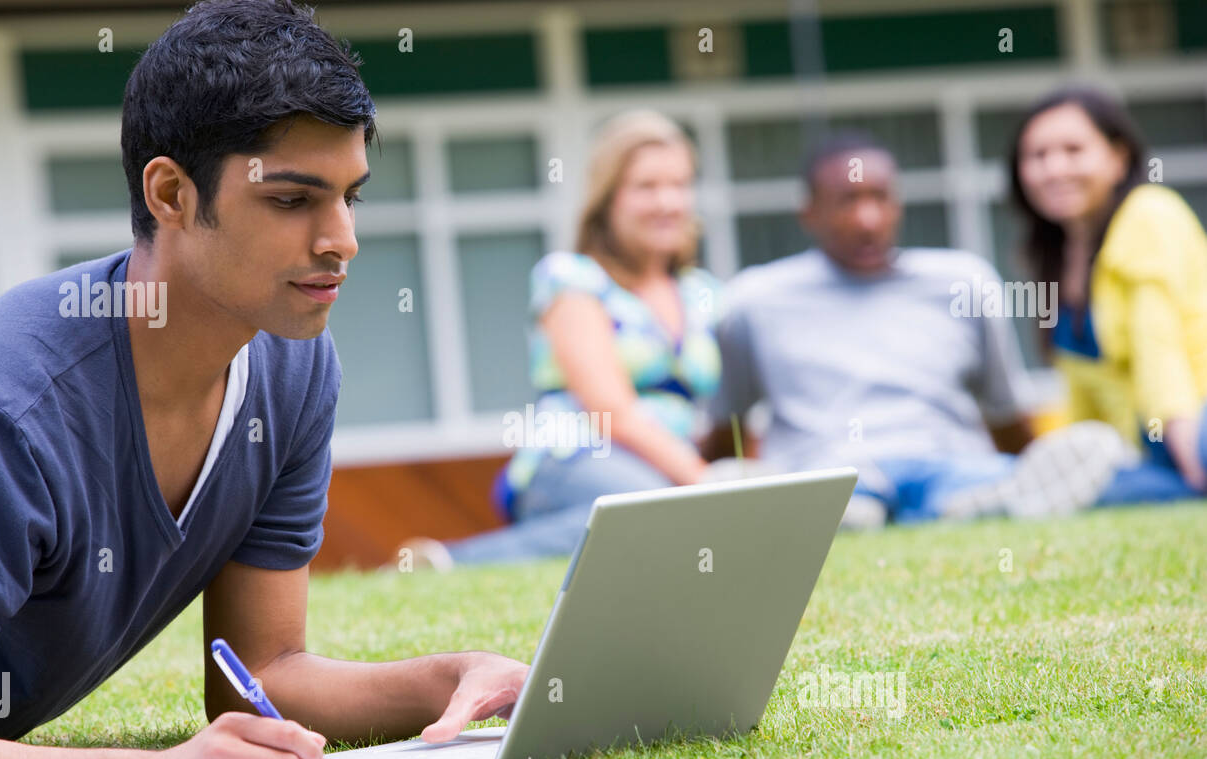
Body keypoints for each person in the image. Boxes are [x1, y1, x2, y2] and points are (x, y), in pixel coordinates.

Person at [0, 0, 528, 759]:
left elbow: (261, 670)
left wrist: (449, 680)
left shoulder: (293, 366)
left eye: (351, 198)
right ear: (169, 192)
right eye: (292, 201)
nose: (340, 238)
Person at [702, 131, 1134, 526]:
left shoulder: (963, 282)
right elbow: (728, 429)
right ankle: (845, 512)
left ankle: (990, 497)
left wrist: (1034, 463)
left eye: (880, 198)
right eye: (848, 201)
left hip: (946, 463)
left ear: (898, 205)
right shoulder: (754, 300)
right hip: (825, 470)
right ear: (809, 214)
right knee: (765, 483)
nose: (868, 218)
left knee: (981, 478)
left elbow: (1005, 413)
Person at [400, 111, 724, 569]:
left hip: (667, 473)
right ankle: (450, 565)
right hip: (574, 456)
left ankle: (445, 560)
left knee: (654, 522)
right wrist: (704, 482)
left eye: (679, 184)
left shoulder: (703, 292)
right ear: (608, 197)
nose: (668, 201)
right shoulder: (571, 279)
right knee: (654, 513)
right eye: (647, 187)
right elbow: (613, 413)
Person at [1008, 85, 1207, 503]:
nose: (1054, 168)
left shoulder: (1149, 212)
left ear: (1118, 158)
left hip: (1192, 422)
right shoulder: (1054, 259)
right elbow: (1084, 405)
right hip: (1147, 456)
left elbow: (1160, 350)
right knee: (1087, 493)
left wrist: (1193, 458)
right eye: (1037, 156)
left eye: (1073, 150)